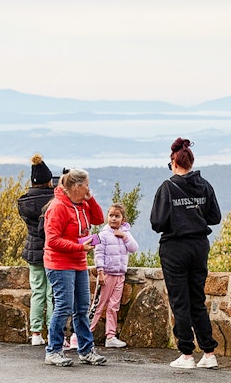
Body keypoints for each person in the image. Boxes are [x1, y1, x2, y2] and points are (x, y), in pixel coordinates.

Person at [150, 138, 222, 369]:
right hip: (199, 246)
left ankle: (187, 353)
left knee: (180, 301)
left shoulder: (167, 188)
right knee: (197, 299)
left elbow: (157, 222)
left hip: (175, 248)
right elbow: (215, 217)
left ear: (173, 162)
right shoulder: (205, 185)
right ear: (191, 161)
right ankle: (209, 352)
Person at [43, 168, 106, 367]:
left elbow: (98, 218)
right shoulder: (58, 207)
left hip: (78, 262)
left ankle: (86, 350)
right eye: (86, 184)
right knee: (63, 307)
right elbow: (52, 240)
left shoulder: (82, 205)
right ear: (76, 186)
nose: (89, 187)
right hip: (60, 264)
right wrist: (79, 246)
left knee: (81, 308)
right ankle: (53, 350)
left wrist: (90, 198)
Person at [16, 153, 56, 346]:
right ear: (49, 180)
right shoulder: (53, 201)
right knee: (52, 293)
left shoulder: (24, 203)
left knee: (37, 292)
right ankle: (52, 332)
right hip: (51, 251)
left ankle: (36, 333)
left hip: (33, 251)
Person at [89, 202, 138, 348]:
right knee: (98, 306)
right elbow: (98, 254)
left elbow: (134, 248)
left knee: (113, 306)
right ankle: (83, 335)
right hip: (107, 275)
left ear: (123, 219)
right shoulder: (102, 235)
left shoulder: (125, 234)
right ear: (107, 217)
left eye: (117, 216)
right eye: (111, 215)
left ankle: (110, 336)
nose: (113, 219)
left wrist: (124, 236)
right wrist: (101, 272)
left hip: (119, 275)